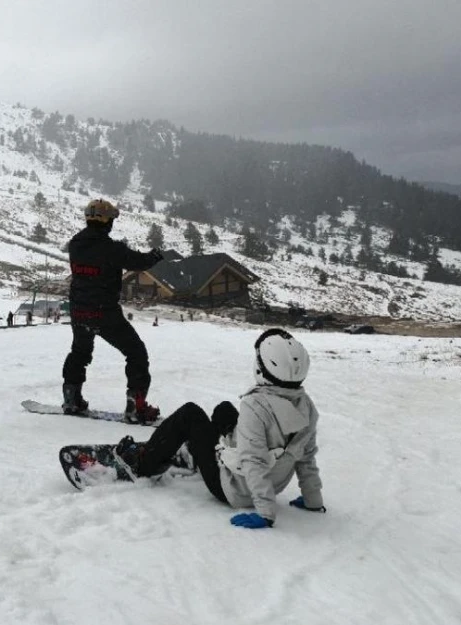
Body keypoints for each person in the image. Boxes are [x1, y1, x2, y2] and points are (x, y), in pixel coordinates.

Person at [113, 328, 325, 529]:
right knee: (224, 411)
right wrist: (312, 499)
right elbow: (306, 456)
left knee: (190, 414)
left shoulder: (256, 406)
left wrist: (265, 514)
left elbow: (254, 460)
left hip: (232, 488)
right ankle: (194, 454)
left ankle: (141, 464)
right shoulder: (306, 406)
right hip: (272, 482)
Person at [61, 198, 165, 423]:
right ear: (107, 221)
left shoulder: (76, 244)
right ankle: (136, 407)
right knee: (136, 353)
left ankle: (71, 399)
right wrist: (155, 255)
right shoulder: (112, 248)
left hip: (79, 311)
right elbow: (137, 262)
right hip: (104, 312)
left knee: (79, 352)